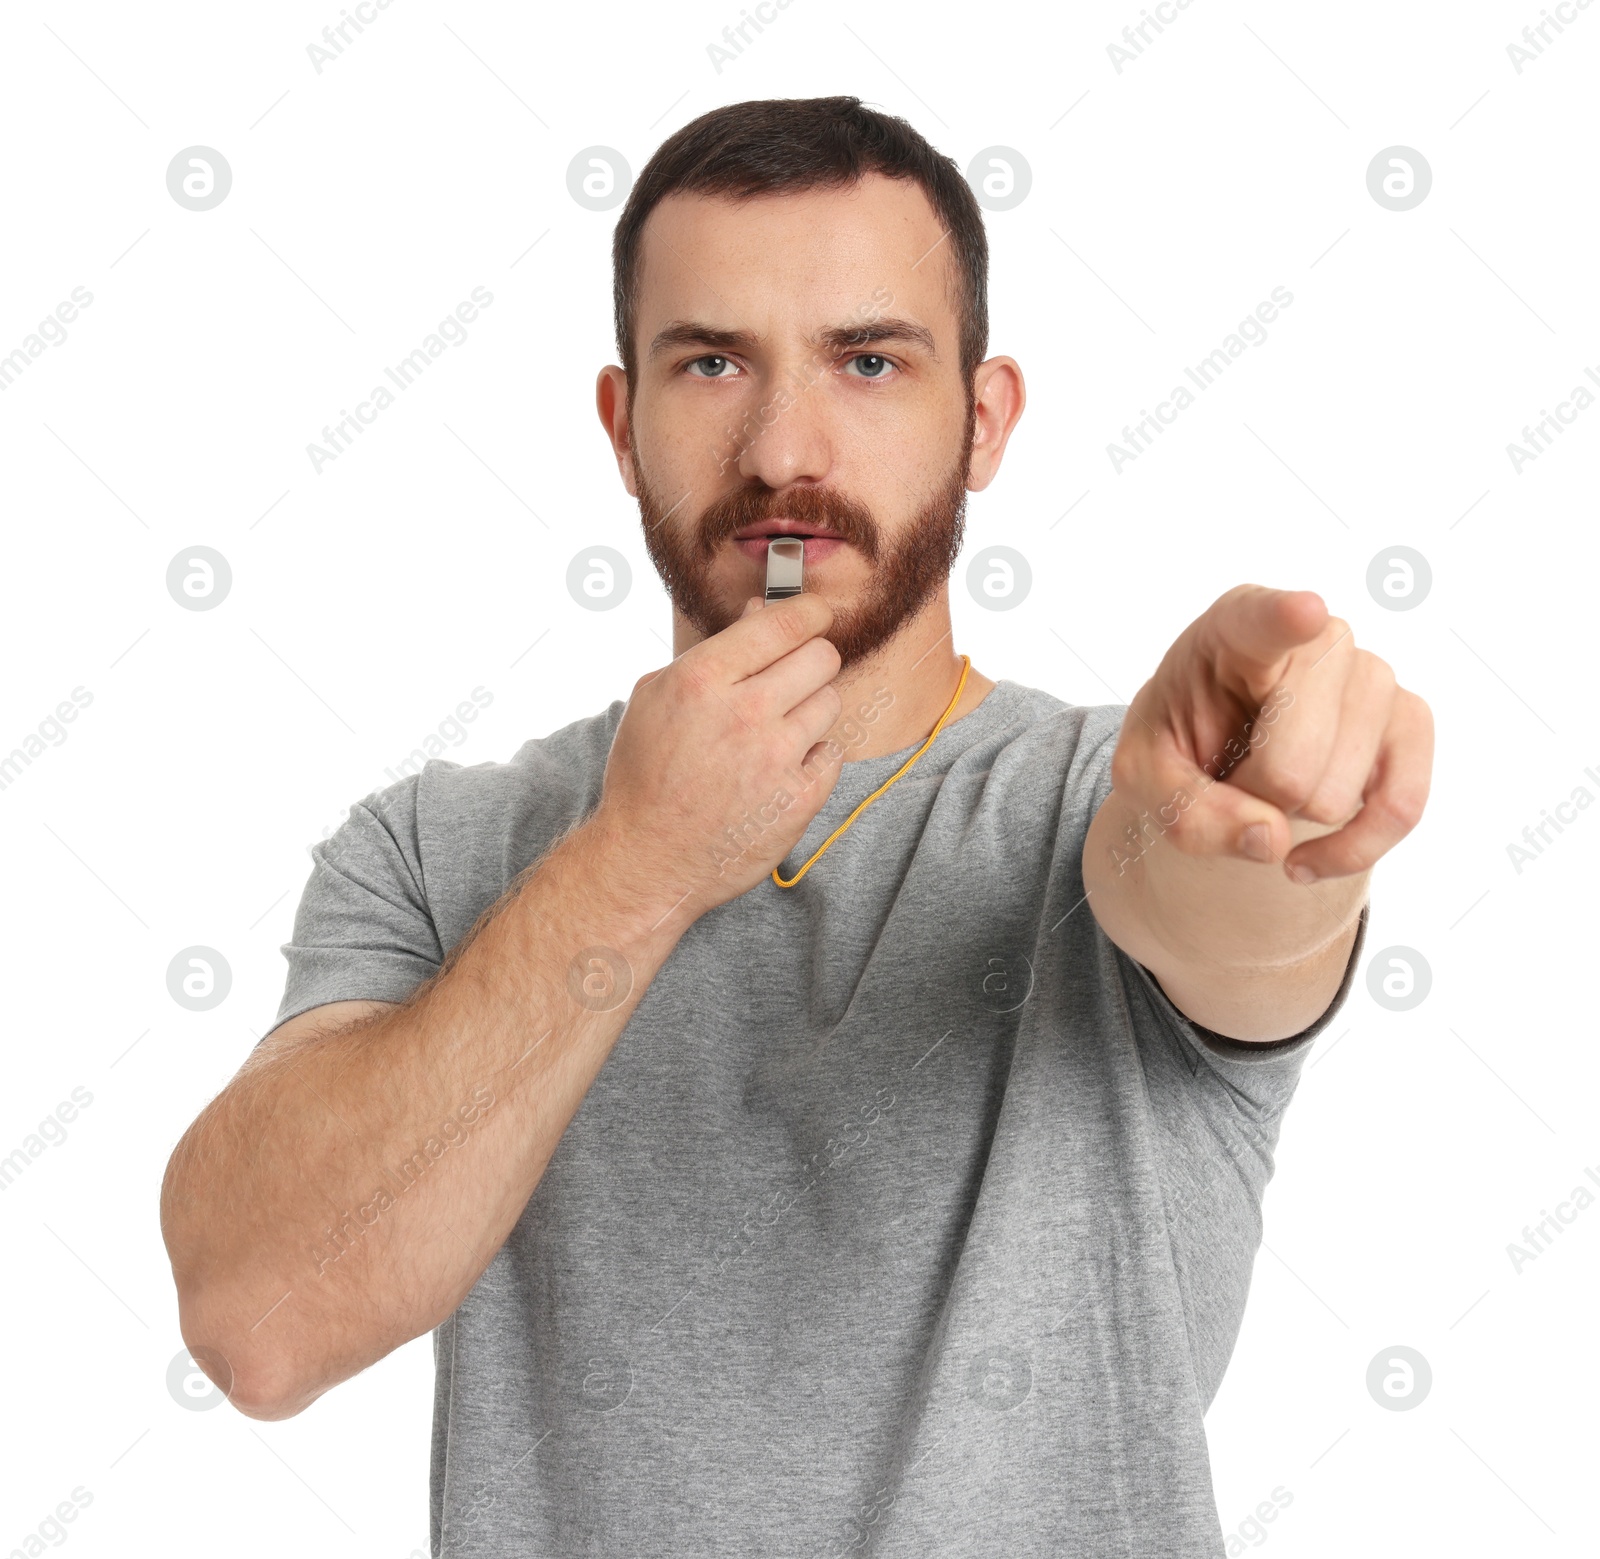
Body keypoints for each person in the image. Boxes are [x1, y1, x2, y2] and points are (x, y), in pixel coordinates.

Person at [160, 96, 1432, 1556]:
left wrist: (1267, 818)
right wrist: (638, 861)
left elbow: (1225, 910)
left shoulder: (1104, 804)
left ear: (986, 420)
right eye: (712, 363)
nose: (783, 451)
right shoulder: (437, 851)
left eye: (870, 361)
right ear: (623, 426)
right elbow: (259, 1320)